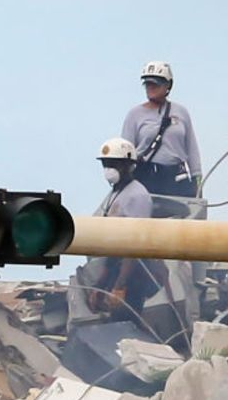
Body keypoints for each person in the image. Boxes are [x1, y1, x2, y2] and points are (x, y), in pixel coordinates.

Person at [87, 137, 168, 322]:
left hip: (134, 275)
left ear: (129, 166)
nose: (109, 169)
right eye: (106, 164)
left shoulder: (137, 195)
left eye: (114, 164)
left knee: (125, 322)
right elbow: (114, 248)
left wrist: (120, 286)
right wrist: (100, 285)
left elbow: (134, 245)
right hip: (117, 269)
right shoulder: (116, 193)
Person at [121, 61, 202, 197]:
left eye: (156, 83)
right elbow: (124, 152)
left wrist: (197, 180)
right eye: (148, 84)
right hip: (147, 176)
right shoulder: (134, 115)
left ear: (168, 85)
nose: (151, 87)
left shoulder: (181, 112)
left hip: (176, 177)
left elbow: (192, 149)